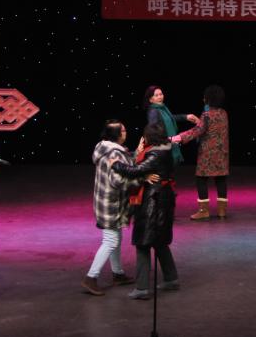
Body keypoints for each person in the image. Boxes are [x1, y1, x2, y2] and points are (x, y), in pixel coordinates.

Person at [82, 120, 160, 296]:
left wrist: (136, 152)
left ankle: (118, 274)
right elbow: (118, 180)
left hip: (104, 201)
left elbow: (124, 163)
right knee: (111, 241)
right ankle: (91, 277)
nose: (126, 132)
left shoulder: (103, 147)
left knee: (114, 238)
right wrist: (142, 179)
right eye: (123, 130)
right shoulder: (114, 152)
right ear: (116, 134)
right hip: (112, 204)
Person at [127, 122, 179, 299]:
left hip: (153, 200)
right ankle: (171, 279)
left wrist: (115, 164)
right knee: (160, 241)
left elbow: (134, 170)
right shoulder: (165, 149)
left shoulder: (154, 153)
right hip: (163, 197)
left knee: (143, 243)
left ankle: (142, 288)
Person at [173, 85, 230, 221]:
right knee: (221, 179)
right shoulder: (224, 113)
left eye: (205, 97)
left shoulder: (207, 115)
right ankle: (222, 211)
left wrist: (179, 137)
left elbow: (197, 131)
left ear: (209, 99)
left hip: (208, 154)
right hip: (222, 153)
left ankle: (204, 211)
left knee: (201, 179)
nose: (203, 99)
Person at [143, 85, 185, 166]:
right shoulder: (153, 111)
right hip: (163, 146)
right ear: (151, 99)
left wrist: (186, 117)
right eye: (156, 95)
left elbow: (170, 118)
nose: (160, 97)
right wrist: (167, 140)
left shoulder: (162, 108)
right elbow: (153, 130)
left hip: (168, 144)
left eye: (161, 94)